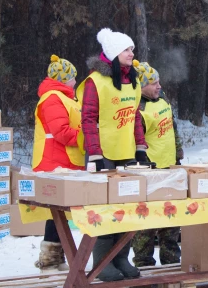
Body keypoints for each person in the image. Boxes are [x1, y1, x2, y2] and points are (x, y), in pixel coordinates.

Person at [78, 28, 147, 282]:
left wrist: (140, 148)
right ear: (114, 53)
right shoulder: (96, 81)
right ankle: (102, 261)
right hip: (103, 155)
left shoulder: (134, 80)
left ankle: (121, 257)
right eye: (127, 49)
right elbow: (88, 119)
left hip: (126, 154)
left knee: (127, 208)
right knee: (105, 210)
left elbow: (135, 116)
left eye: (131, 49)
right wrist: (94, 154)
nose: (132, 53)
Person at [32, 55, 83, 272]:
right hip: (55, 162)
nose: (75, 81)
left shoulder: (63, 98)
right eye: (72, 77)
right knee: (56, 213)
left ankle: (55, 257)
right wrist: (87, 136)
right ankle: (50, 259)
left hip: (63, 161)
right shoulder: (53, 98)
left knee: (59, 214)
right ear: (64, 79)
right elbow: (61, 132)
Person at [131, 60, 182, 267]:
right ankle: (143, 265)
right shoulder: (138, 108)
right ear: (141, 86)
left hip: (170, 168)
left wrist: (179, 153)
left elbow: (173, 128)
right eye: (153, 83)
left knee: (171, 219)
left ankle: (171, 262)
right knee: (146, 222)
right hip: (150, 172)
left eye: (159, 81)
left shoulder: (163, 99)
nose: (159, 86)